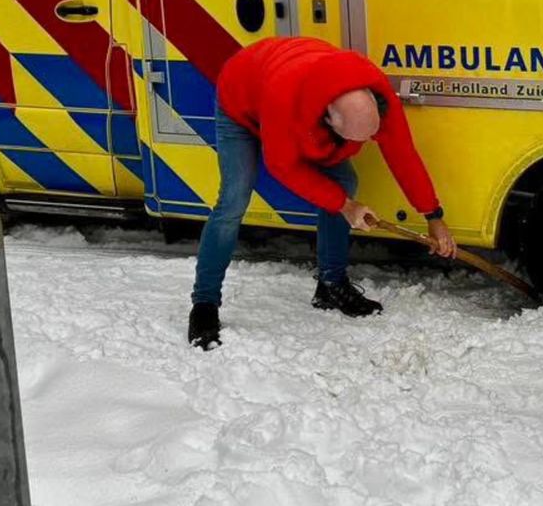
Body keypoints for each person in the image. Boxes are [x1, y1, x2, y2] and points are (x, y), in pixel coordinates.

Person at [187, 37, 458, 350]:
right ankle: (204, 304)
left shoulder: (376, 96)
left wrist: (433, 216)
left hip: (296, 97)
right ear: (328, 119)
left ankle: (331, 283)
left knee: (345, 183)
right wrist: (345, 206)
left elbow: (403, 155)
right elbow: (284, 167)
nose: (366, 145)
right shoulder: (283, 97)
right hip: (242, 100)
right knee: (233, 201)